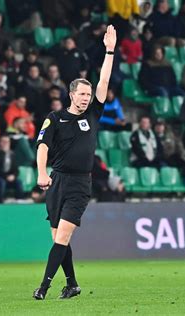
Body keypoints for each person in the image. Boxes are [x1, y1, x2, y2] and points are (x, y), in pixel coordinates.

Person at [33, 25, 116, 300]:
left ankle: (43, 287)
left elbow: (104, 81)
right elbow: (42, 146)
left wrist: (110, 51)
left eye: (89, 95)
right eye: (82, 94)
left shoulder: (92, 114)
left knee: (62, 237)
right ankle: (72, 284)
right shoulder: (54, 119)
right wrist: (41, 173)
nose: (86, 98)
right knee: (59, 238)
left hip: (80, 183)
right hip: (57, 181)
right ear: (71, 94)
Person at [0, 135, 24, 203]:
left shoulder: (12, 154)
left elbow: (16, 169)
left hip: (8, 177)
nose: (5, 144)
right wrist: (2, 153)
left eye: (7, 142)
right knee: (1, 182)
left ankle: (19, 201)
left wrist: (13, 176)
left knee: (18, 182)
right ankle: (0, 202)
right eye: (3, 142)